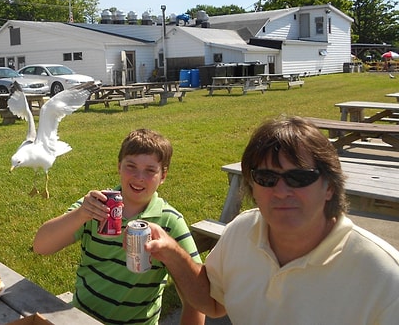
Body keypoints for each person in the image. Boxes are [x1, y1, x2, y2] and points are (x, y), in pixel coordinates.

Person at [146, 116, 399, 324]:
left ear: (330, 186)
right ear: (253, 186)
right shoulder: (241, 231)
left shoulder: (383, 275)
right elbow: (212, 302)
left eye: (298, 178)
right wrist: (172, 252)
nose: (281, 191)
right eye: (267, 178)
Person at [33, 128, 205, 325]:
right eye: (131, 166)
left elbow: (196, 293)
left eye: (150, 170)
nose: (139, 177)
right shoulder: (95, 205)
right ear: (119, 167)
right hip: (82, 318)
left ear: (163, 176)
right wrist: (81, 214)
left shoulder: (169, 222)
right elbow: (41, 246)